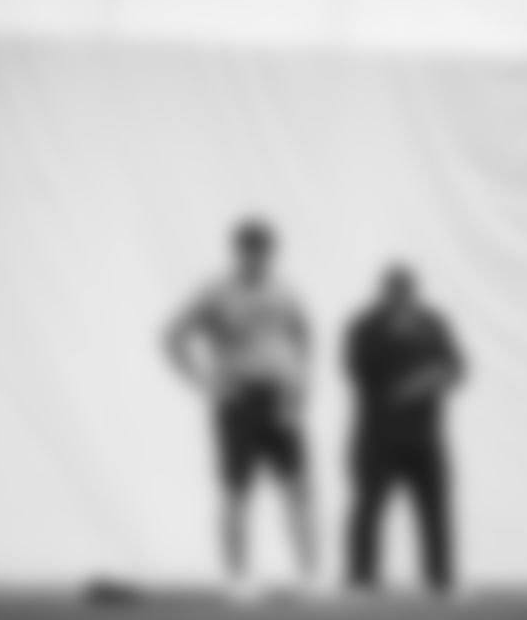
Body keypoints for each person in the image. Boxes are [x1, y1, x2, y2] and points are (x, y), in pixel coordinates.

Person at [166, 218, 317, 598]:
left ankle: (309, 576)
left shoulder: (285, 291)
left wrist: (299, 387)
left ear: (272, 252)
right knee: (237, 490)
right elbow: (173, 336)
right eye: (250, 249)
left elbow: (303, 337)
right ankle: (238, 578)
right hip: (240, 399)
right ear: (238, 251)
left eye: (263, 249)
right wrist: (203, 381)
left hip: (280, 399)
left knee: (297, 487)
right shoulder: (215, 292)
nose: (257, 256)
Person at [345, 266, 465, 594]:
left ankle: (440, 581)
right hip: (378, 436)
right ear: (383, 292)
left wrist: (424, 381)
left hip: (424, 436)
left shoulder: (432, 323)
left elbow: (456, 368)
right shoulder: (366, 326)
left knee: (435, 510)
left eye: (406, 290)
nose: (400, 296)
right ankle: (362, 581)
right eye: (394, 290)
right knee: (369, 509)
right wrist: (394, 340)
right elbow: (357, 369)